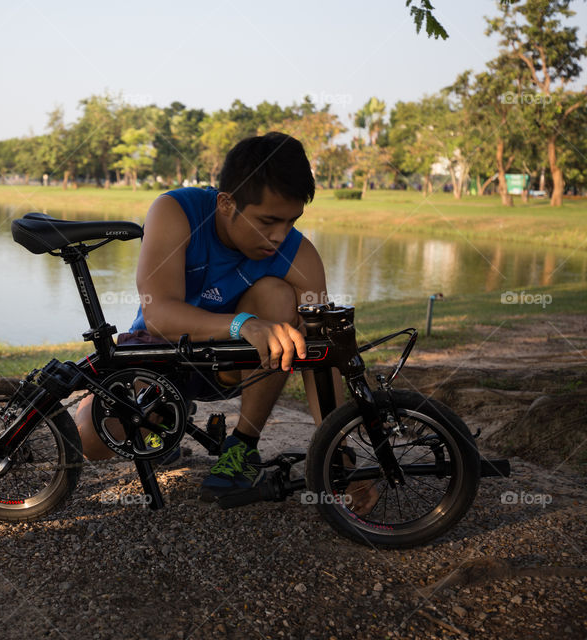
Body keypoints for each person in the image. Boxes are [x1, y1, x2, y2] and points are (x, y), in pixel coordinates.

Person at [75, 132, 377, 512]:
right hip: (160, 351)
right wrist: (243, 325)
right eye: (268, 221)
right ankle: (165, 424)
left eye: (291, 221)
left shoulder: (301, 255)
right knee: (91, 439)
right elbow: (158, 314)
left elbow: (322, 355)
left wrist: (340, 451)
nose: (279, 237)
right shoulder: (175, 211)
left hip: (233, 369)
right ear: (226, 203)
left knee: (279, 299)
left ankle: (242, 448)